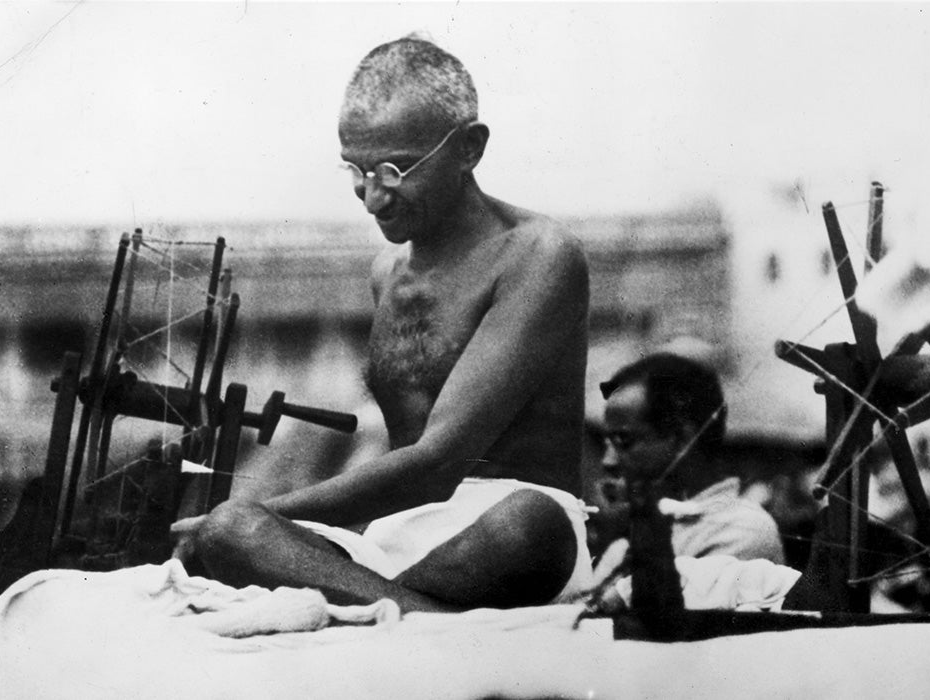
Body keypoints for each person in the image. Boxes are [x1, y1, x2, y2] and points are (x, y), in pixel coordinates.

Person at [171, 36, 593, 613]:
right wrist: (251, 527)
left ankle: (371, 605)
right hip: (396, 543)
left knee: (527, 523)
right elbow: (405, 468)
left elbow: (440, 460)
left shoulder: (538, 254)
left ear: (469, 148)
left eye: (395, 169)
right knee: (224, 536)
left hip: (506, 536)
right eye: (358, 170)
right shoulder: (386, 274)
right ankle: (413, 612)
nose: (373, 198)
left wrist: (272, 512)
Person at [591, 352, 785, 581]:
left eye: (624, 441)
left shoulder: (739, 531)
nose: (608, 461)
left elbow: (664, 614)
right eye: (606, 444)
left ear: (683, 439)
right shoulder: (636, 529)